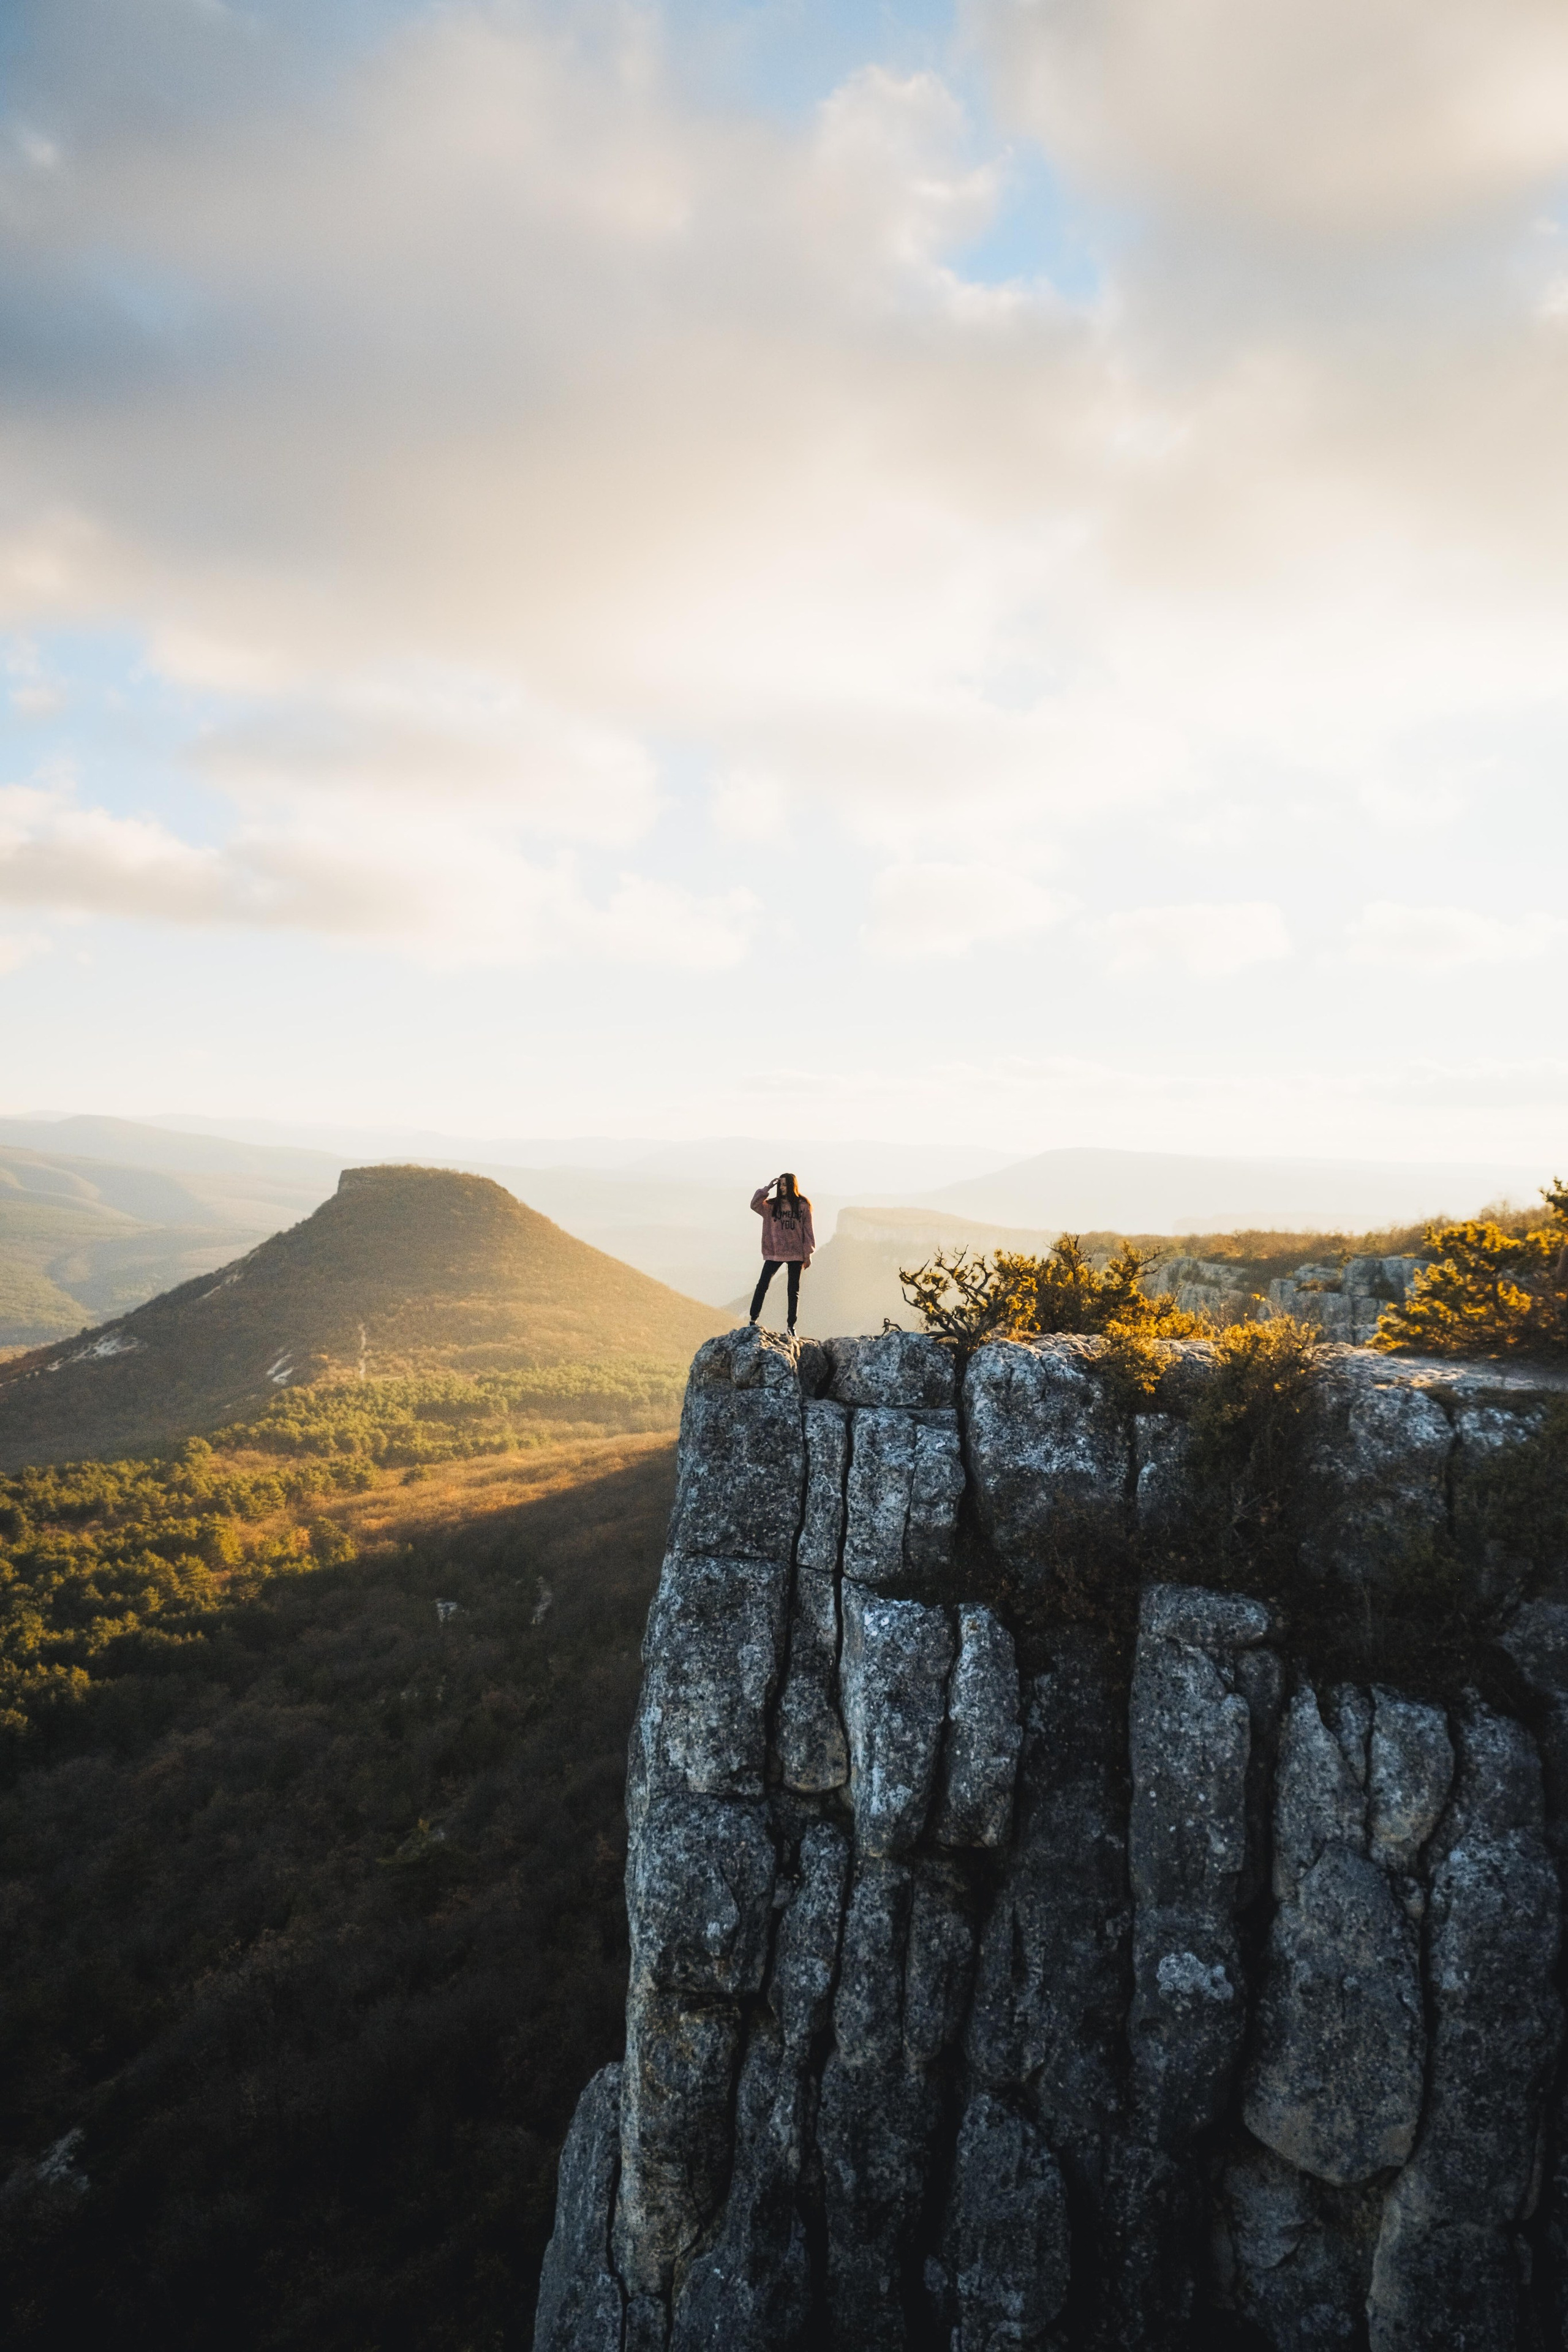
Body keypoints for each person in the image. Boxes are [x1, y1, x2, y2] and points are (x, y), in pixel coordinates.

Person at [749, 1171, 815, 1338]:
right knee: (762, 1285)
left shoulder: (803, 1205)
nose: (783, 1188)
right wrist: (767, 1188)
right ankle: (753, 1320)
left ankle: (791, 1326)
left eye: (786, 1184)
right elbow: (754, 1204)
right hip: (775, 1252)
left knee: (793, 1291)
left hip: (796, 1253)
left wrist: (808, 1254)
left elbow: (808, 1231)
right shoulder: (770, 1206)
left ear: (793, 1185)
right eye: (781, 1185)